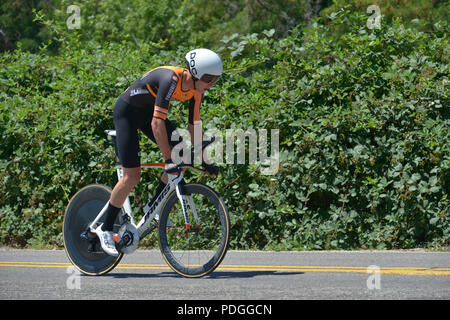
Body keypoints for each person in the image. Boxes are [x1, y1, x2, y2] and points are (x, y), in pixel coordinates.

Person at [96, 48, 222, 256]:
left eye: (215, 80)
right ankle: (105, 228)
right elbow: (157, 123)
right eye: (208, 79)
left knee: (181, 155)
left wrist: (205, 160)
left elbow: (194, 126)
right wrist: (167, 159)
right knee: (132, 176)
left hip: (146, 114)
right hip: (126, 112)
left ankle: (153, 207)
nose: (210, 85)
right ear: (194, 72)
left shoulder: (198, 91)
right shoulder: (170, 79)